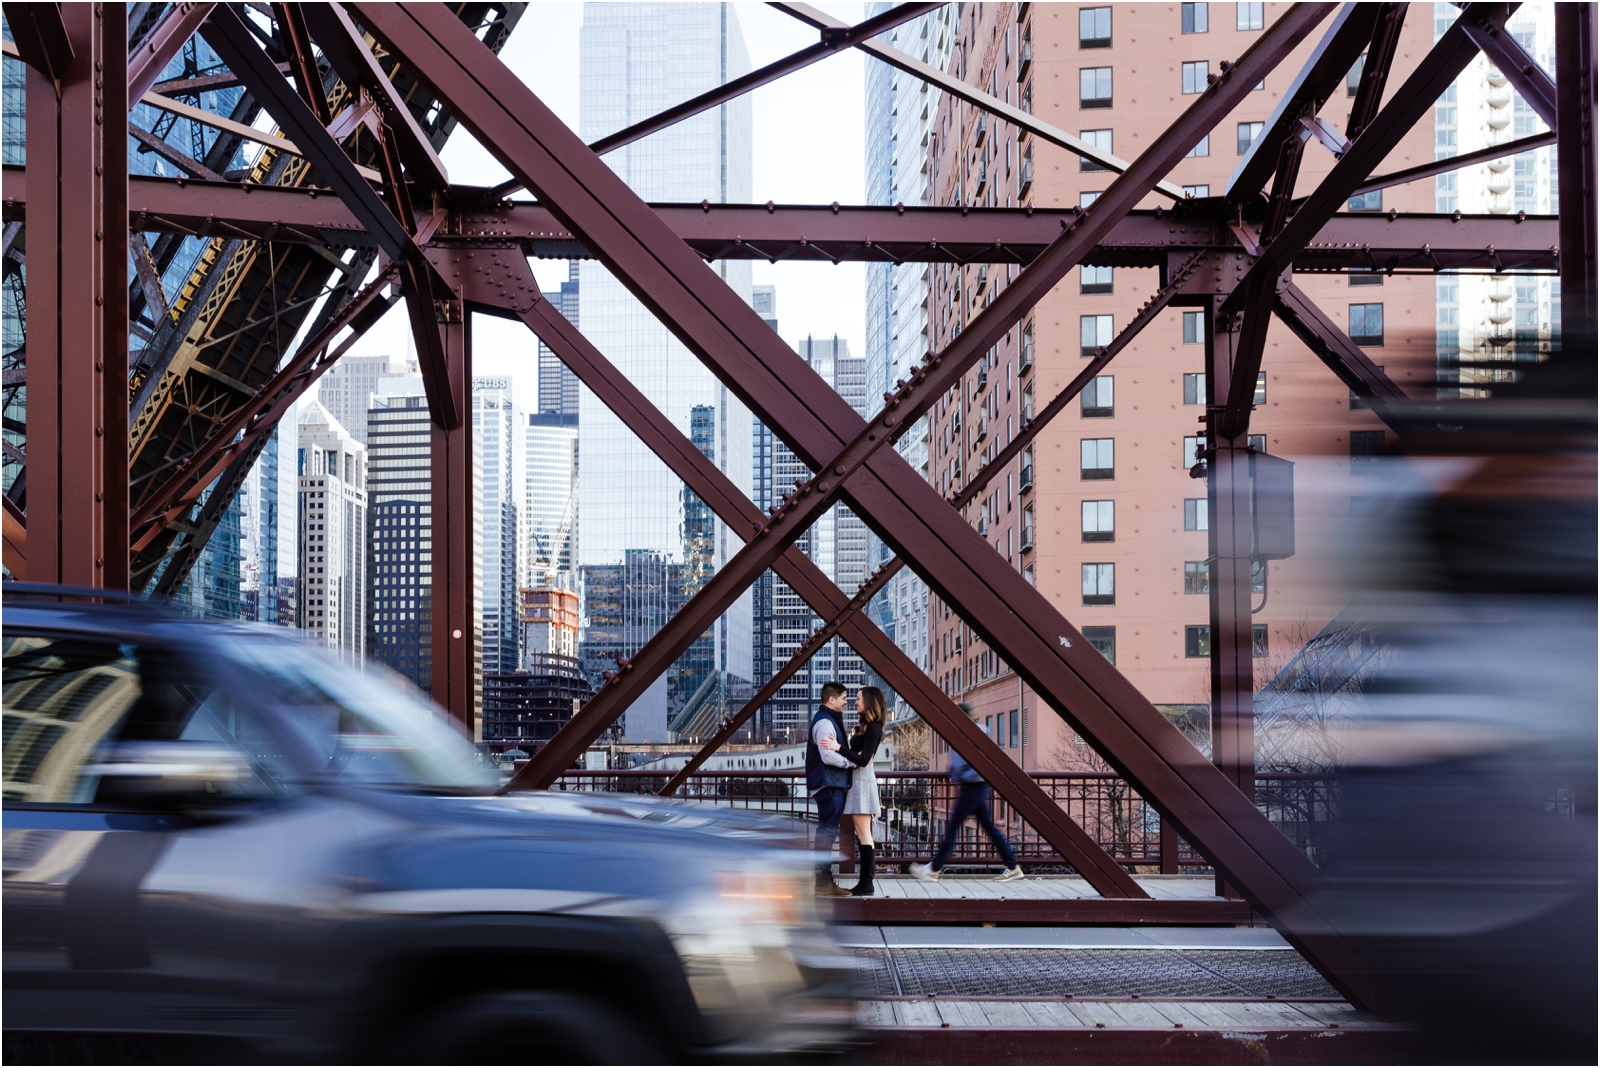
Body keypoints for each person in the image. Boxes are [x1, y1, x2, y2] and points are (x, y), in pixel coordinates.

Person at [912, 726, 1023, 882]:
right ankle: (1012, 867)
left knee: (953, 828)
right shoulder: (970, 737)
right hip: (974, 788)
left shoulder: (972, 738)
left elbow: (974, 766)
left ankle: (934, 868)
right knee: (990, 829)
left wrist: (959, 774)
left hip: (971, 788)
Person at [805, 681, 854, 897]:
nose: (846, 702)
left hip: (829, 786)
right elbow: (827, 756)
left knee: (825, 835)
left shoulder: (827, 720)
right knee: (826, 835)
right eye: (843, 698)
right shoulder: (825, 723)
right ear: (831, 699)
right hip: (829, 786)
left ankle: (823, 883)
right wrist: (851, 762)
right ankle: (823, 884)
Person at [837, 686, 886, 896]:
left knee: (864, 834)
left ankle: (867, 883)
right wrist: (851, 753)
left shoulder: (874, 728)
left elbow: (864, 760)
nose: (855, 702)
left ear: (869, 701)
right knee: (862, 833)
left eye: (858, 699)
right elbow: (862, 758)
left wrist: (839, 749)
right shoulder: (869, 727)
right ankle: (866, 882)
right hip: (859, 782)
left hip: (862, 783)